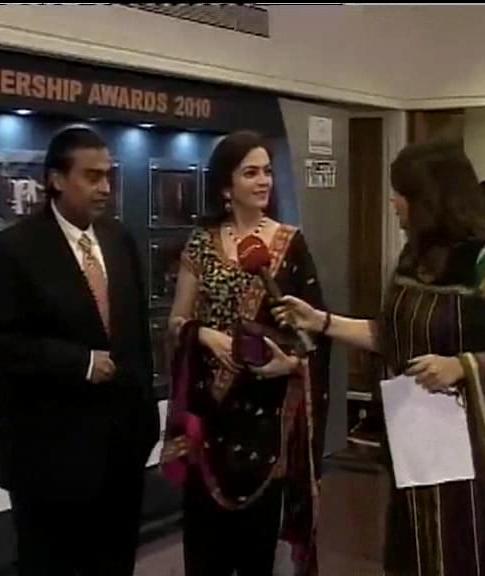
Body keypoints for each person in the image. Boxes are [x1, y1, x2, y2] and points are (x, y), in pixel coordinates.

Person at [274, 140, 485, 575]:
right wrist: (320, 320)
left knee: (468, 541)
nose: (393, 202)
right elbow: (391, 336)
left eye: (401, 192)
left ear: (429, 199)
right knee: (420, 541)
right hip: (419, 435)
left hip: (479, 443)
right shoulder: (412, 258)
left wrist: (463, 365)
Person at [0, 126, 159, 576]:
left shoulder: (119, 241)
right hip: (50, 458)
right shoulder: (14, 249)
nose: (105, 188)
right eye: (92, 177)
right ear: (56, 180)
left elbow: (135, 336)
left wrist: (147, 423)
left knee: (115, 562)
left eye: (109, 176)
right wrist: (79, 363)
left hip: (120, 452)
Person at [160, 130, 331, 576]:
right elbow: (175, 324)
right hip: (208, 419)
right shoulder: (202, 243)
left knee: (255, 551)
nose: (263, 182)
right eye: (250, 172)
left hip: (264, 418)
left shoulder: (289, 245)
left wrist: (289, 364)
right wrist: (205, 335)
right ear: (225, 186)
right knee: (205, 550)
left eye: (267, 172)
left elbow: (314, 335)